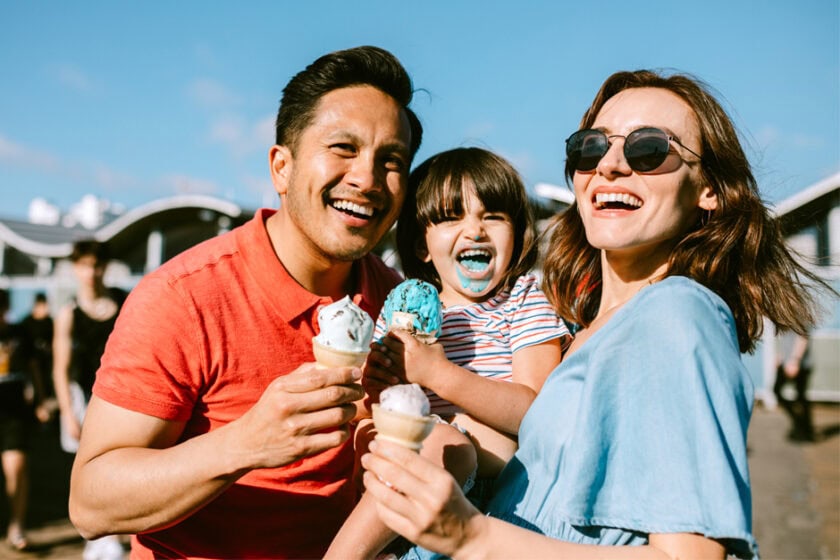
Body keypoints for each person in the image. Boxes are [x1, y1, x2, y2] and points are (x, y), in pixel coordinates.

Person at [360, 69, 833, 560]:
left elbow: (688, 557)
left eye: (648, 149)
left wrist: (471, 537)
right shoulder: (584, 333)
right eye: (591, 147)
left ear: (708, 189)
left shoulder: (678, 313)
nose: (609, 165)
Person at [68, 45, 424, 560]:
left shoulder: (398, 306)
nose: (367, 179)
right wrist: (246, 443)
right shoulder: (184, 298)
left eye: (391, 160)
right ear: (281, 167)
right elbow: (90, 503)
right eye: (343, 148)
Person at [326, 147, 571, 559]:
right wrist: (377, 386)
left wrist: (437, 374)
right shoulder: (400, 309)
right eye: (451, 216)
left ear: (517, 233)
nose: (475, 231)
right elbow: (369, 414)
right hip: (401, 500)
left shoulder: (525, 300)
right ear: (422, 245)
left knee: (441, 440)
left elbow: (535, 412)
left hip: (493, 499)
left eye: (492, 215)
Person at [52, 240, 127, 560]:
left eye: (95, 265)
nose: (90, 273)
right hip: (84, 397)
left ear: (104, 267)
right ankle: (97, 536)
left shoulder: (125, 303)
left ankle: (115, 533)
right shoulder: (68, 314)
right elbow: (60, 368)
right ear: (75, 269)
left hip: (121, 396)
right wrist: (68, 412)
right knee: (87, 472)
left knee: (122, 465)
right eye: (84, 266)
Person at [0, 289, 35, 551]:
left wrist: (41, 398)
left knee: (17, 469)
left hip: (14, 413)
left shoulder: (19, 334)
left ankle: (16, 526)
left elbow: (34, 368)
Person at [19, 292, 55, 423]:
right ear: (36, 306)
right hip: (31, 367)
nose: (45, 309)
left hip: (48, 367)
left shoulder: (50, 323)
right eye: (42, 306)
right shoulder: (26, 324)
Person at [773, 330, 815, 442]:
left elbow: (803, 336)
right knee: (778, 391)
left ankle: (805, 430)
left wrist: (795, 360)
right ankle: (800, 424)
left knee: (800, 397)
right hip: (787, 362)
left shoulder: (800, 313)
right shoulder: (785, 314)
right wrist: (780, 355)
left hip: (800, 364)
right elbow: (785, 337)